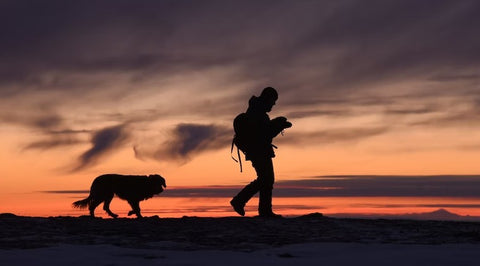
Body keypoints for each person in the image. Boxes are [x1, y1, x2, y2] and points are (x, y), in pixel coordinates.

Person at [230, 87, 292, 218]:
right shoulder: (257, 113)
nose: (274, 104)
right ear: (268, 99)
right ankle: (241, 201)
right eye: (273, 101)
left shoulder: (257, 111)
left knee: (266, 179)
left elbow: (263, 132)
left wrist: (277, 124)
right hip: (258, 150)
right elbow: (264, 135)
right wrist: (279, 125)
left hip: (257, 150)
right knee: (266, 179)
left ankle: (262, 210)